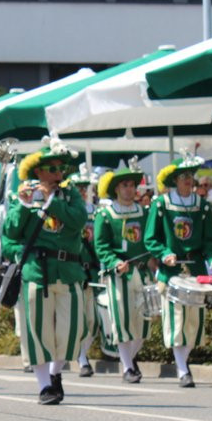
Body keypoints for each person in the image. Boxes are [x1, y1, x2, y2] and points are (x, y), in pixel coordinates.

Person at [3, 139, 88, 405]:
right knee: (37, 331)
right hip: (37, 272)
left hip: (69, 271)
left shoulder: (70, 194)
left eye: (60, 168)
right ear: (38, 171)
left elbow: (78, 220)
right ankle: (44, 387)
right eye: (51, 168)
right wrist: (24, 205)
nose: (57, 173)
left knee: (70, 330)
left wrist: (50, 200)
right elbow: (11, 233)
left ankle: (55, 373)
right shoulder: (23, 195)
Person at [145, 155, 212, 387]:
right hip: (171, 271)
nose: (189, 181)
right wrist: (164, 253)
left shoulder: (202, 205)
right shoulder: (161, 204)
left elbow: (210, 239)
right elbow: (151, 238)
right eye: (184, 177)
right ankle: (182, 369)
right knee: (175, 319)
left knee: (194, 320)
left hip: (196, 268)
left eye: (191, 176)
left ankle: (183, 362)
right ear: (175, 180)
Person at [93, 159, 150, 383]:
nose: (129, 189)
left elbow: (150, 239)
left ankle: (129, 358)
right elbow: (101, 246)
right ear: (116, 188)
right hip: (119, 274)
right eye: (125, 185)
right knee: (122, 319)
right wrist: (114, 261)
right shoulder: (105, 215)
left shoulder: (144, 212)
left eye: (132, 185)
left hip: (142, 271)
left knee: (144, 322)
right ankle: (127, 367)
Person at [69, 166, 100, 377]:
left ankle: (82, 353)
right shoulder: (70, 212)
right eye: (78, 188)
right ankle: (81, 359)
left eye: (84, 188)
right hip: (76, 270)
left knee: (94, 321)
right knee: (80, 319)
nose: (82, 191)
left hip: (93, 271)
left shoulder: (95, 211)